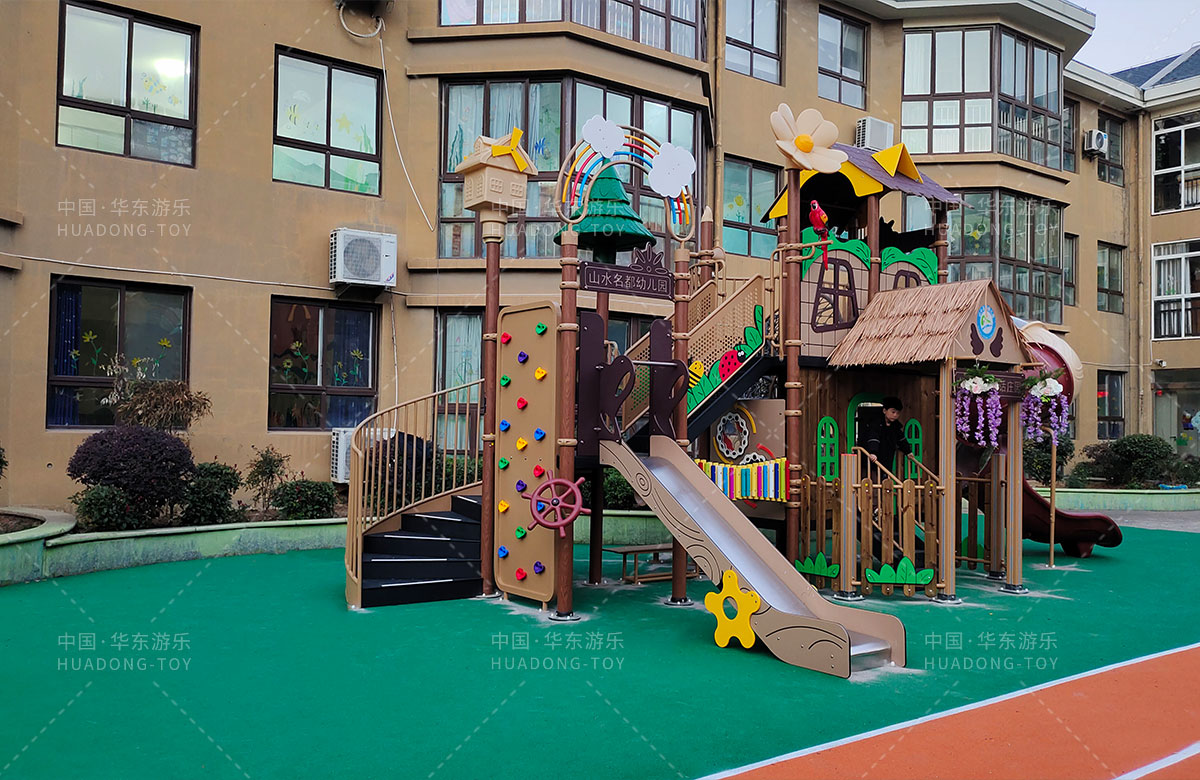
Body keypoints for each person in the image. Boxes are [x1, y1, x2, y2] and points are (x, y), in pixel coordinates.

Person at [856, 396, 912, 473]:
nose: (895, 415)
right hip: (873, 460)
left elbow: (901, 439)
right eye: (893, 412)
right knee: (873, 475)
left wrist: (908, 451)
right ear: (885, 411)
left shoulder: (895, 427)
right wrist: (873, 452)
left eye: (898, 413)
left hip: (887, 459)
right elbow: (873, 438)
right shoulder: (876, 424)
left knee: (886, 475)